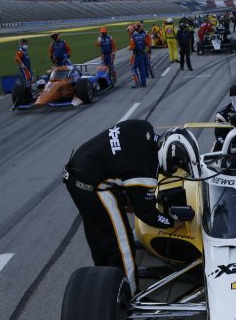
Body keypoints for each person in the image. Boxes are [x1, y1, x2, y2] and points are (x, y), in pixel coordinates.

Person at [63, 120, 200, 294]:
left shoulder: (142, 127)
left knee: (100, 237)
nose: (172, 171)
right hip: (93, 185)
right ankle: (129, 293)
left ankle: (104, 282)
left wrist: (129, 197)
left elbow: (120, 161)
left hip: (78, 172)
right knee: (122, 244)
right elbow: (147, 214)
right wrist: (172, 222)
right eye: (173, 167)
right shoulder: (145, 169)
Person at [129, 23, 150, 88]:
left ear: (133, 29)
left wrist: (129, 48)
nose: (129, 31)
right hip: (142, 54)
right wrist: (145, 51)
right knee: (142, 69)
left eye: (129, 30)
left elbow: (132, 46)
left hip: (136, 55)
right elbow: (148, 43)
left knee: (133, 68)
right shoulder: (142, 35)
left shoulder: (133, 37)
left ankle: (137, 83)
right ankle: (144, 83)